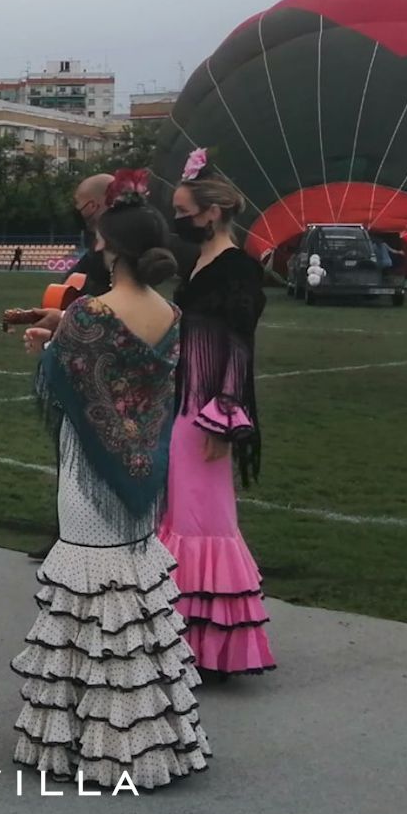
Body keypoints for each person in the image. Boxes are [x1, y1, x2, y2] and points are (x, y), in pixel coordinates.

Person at [11, 169, 209, 789]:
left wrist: (44, 344)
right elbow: (137, 383)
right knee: (134, 590)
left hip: (89, 470)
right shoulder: (170, 311)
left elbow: (66, 379)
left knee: (89, 591)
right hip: (143, 467)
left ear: (110, 245)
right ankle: (149, 730)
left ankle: (86, 736)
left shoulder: (89, 314)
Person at [164, 149, 275, 676]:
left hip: (206, 409)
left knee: (203, 520)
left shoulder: (238, 270)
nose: (178, 222)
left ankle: (209, 645)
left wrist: (224, 415)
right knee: (182, 515)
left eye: (184, 213)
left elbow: (240, 343)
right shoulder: (201, 262)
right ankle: (181, 637)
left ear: (211, 212)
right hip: (183, 400)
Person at [25, 173, 119, 563]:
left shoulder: (117, 251)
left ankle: (90, 533)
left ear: (94, 205)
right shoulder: (96, 250)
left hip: (105, 363)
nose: (76, 210)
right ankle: (69, 531)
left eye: (79, 202)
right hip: (80, 359)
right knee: (71, 450)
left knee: (96, 452)